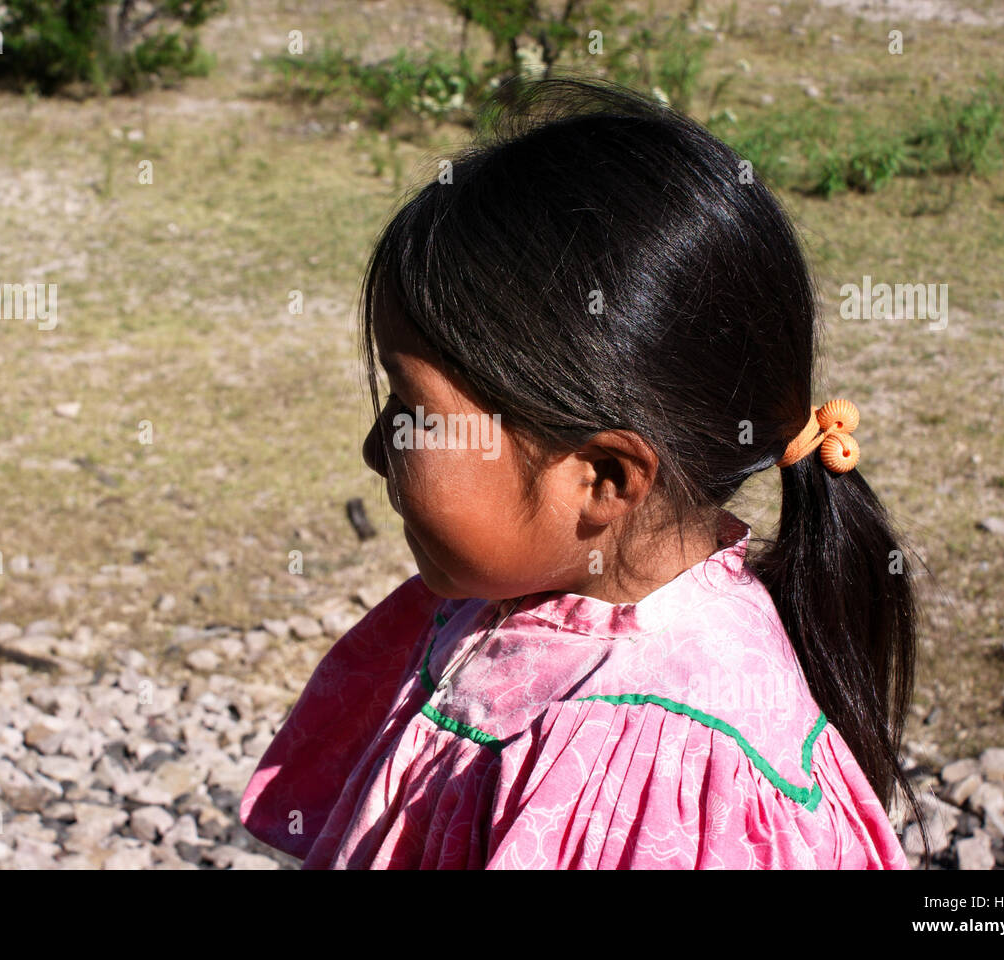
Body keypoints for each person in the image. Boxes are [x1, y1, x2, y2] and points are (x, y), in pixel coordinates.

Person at [240, 76, 927, 869]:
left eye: (412, 413)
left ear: (603, 477)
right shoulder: (504, 588)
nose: (373, 448)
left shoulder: (670, 757)